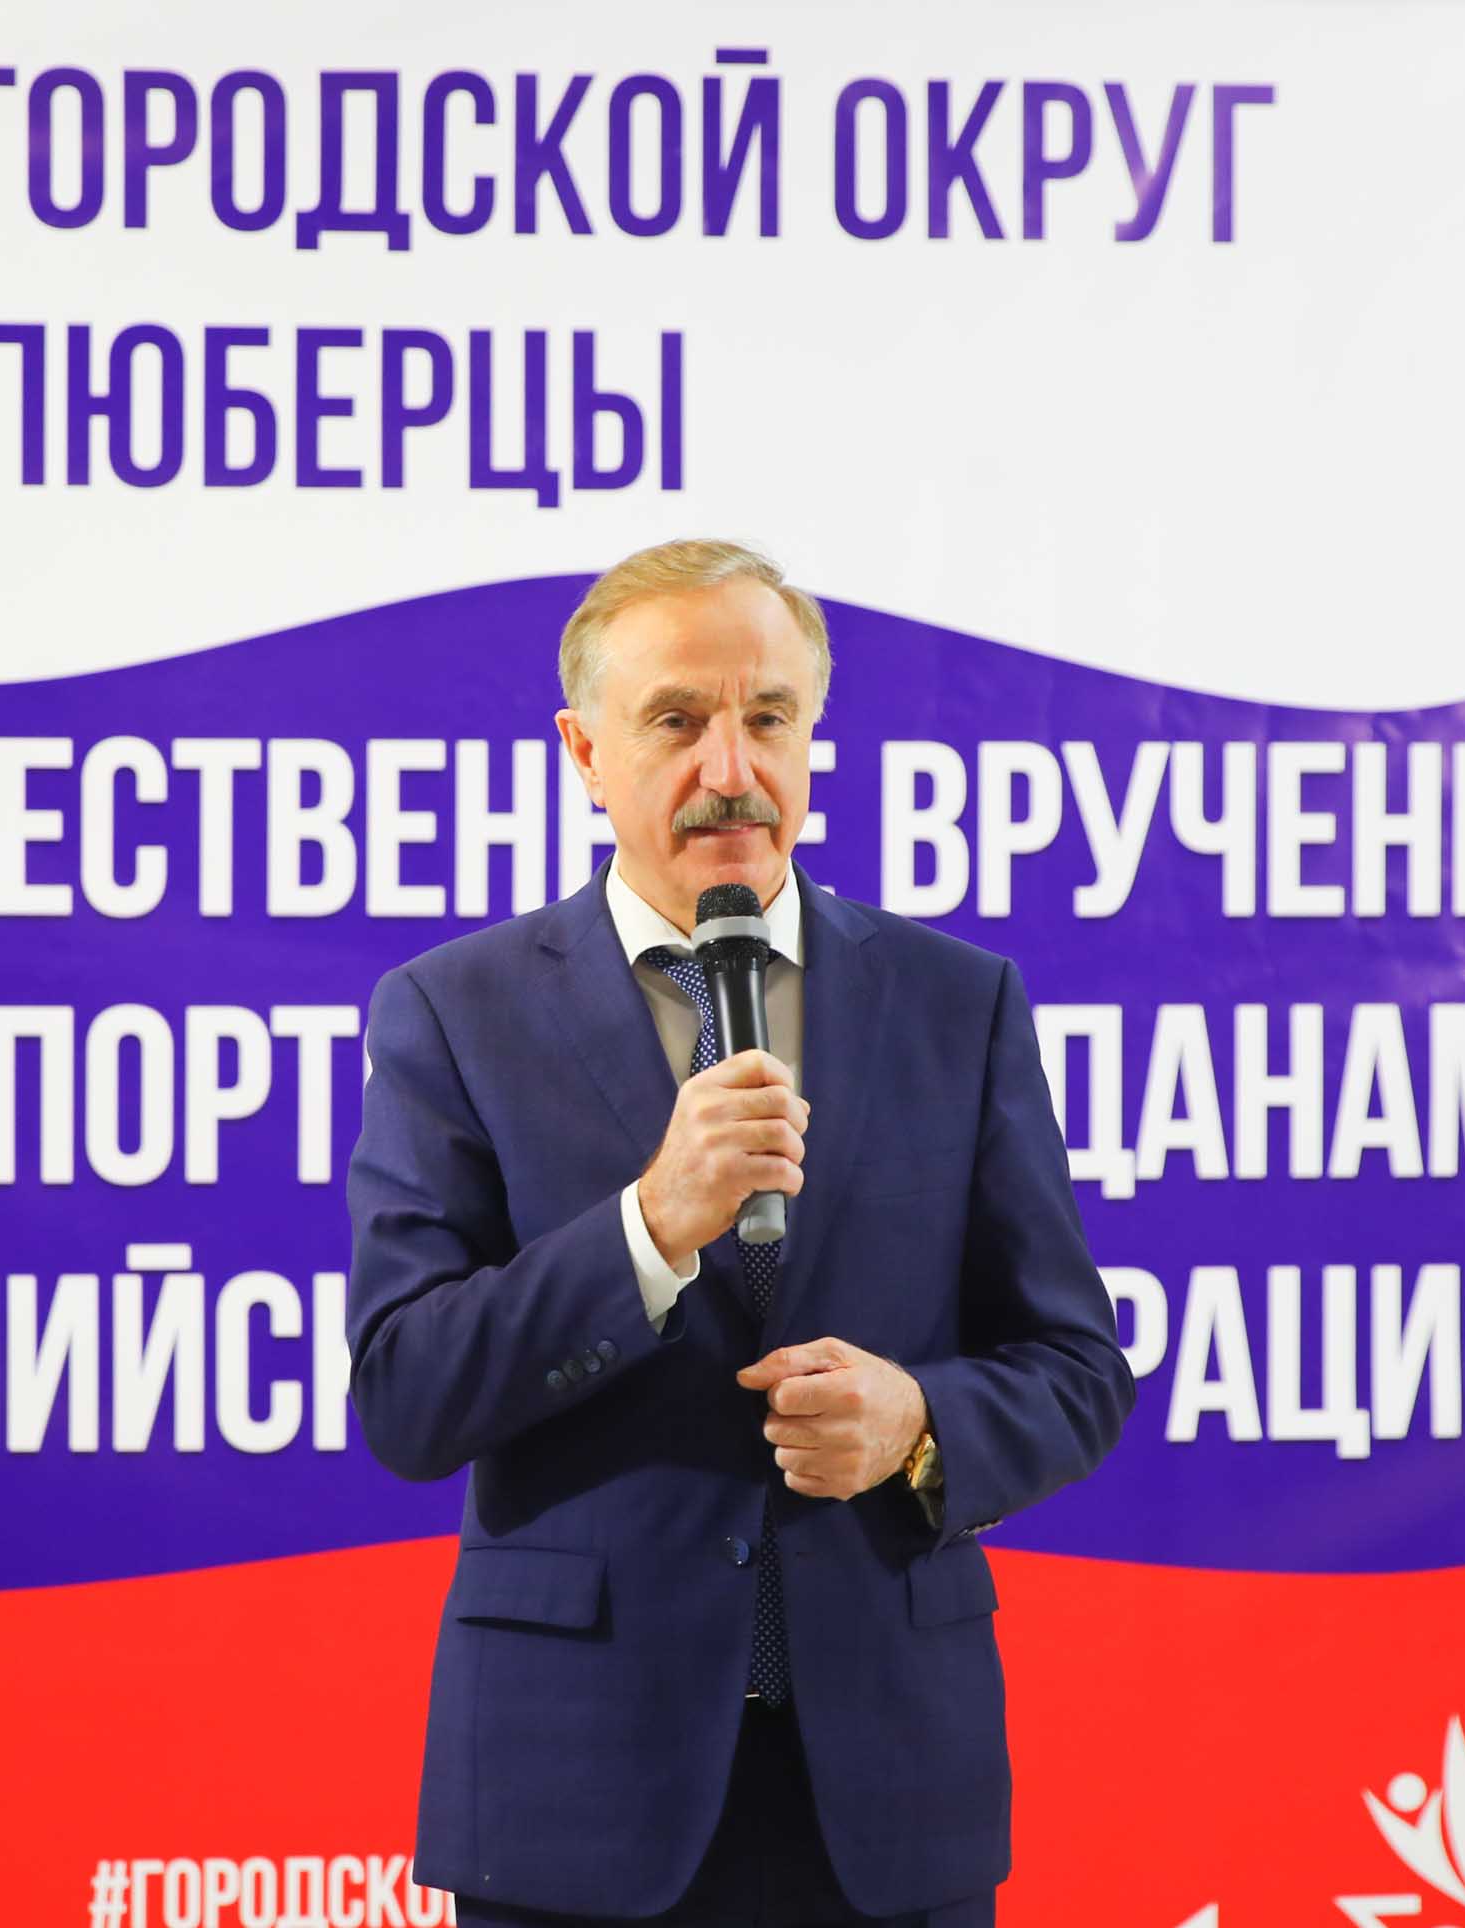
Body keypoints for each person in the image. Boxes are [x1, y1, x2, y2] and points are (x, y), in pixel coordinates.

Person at [345, 539, 1134, 1925]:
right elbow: (408, 1395)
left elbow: (1076, 1369)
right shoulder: (454, 1014)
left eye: (769, 717)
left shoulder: (958, 1005)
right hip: (577, 1799)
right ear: (585, 754)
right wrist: (651, 1227)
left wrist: (918, 1424)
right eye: (677, 720)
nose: (732, 768)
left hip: (889, 1801)